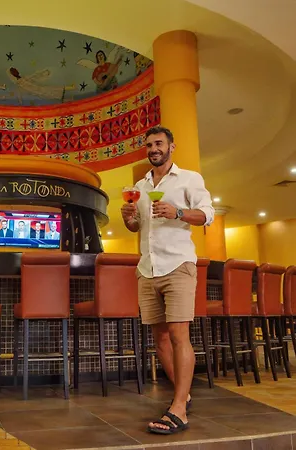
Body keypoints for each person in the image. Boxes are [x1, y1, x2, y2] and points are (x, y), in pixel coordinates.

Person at [120, 126, 214, 435]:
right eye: (149, 145)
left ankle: (178, 410)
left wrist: (178, 213)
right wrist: (128, 218)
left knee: (178, 334)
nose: (153, 149)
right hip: (148, 268)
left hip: (177, 265)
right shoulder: (140, 186)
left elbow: (207, 215)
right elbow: (138, 226)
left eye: (159, 143)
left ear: (171, 147)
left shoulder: (189, 179)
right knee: (159, 338)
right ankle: (182, 396)